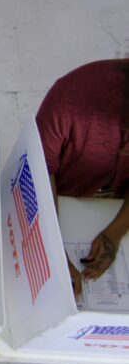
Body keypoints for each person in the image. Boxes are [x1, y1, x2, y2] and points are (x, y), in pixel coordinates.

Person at [36, 59, 129, 297]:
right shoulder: (71, 96)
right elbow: (39, 171)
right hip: (64, 196)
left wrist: (114, 233)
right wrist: (53, 253)